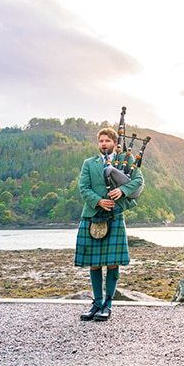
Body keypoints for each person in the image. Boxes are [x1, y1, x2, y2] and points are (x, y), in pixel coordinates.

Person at [75, 127, 144, 321]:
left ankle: (108, 304)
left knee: (112, 263)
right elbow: (83, 188)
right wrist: (98, 201)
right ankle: (96, 304)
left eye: (107, 140)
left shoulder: (125, 160)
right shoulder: (89, 163)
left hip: (114, 215)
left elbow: (138, 180)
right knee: (94, 264)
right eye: (100, 141)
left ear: (115, 142)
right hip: (92, 215)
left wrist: (122, 190)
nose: (103, 144)